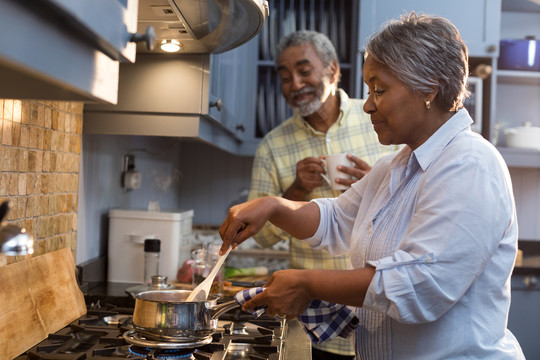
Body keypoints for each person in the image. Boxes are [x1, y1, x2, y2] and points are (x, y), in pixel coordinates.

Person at [221, 12, 524, 359]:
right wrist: (274, 206)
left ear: (429, 88)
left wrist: (306, 282)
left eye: (379, 90)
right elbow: (335, 218)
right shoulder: (393, 167)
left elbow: (418, 285)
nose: (366, 105)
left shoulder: (470, 163)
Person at [248, 30, 397, 359]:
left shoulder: (382, 120)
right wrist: (297, 190)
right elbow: (263, 239)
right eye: (285, 77)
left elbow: (412, 199)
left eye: (304, 71)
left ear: (332, 71)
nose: (295, 85)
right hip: (310, 325)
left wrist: (376, 182)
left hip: (379, 316)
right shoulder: (273, 145)